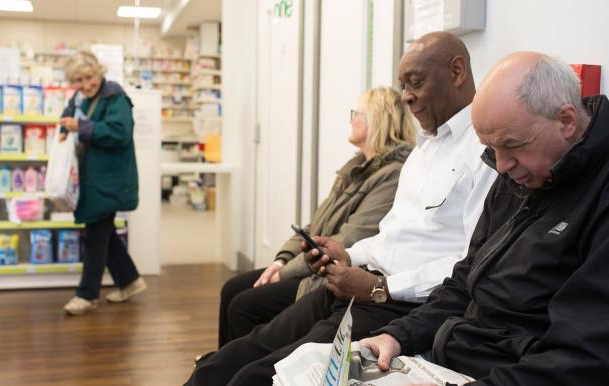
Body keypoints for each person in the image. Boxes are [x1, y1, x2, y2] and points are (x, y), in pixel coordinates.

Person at [185, 31, 497, 386]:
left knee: (255, 377)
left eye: (416, 83)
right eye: (403, 86)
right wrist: (346, 254)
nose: (407, 97)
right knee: (222, 363)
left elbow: (467, 265)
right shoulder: (423, 150)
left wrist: (381, 287)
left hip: (401, 304)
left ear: (457, 72)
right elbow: (390, 234)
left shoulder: (483, 152)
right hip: (356, 286)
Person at [360, 52, 609, 386]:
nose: (501, 165)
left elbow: (583, 357)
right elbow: (466, 279)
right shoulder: (522, 173)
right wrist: (399, 334)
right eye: (491, 147)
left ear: (566, 121)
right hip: (458, 359)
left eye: (511, 145)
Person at [218, 87, 416, 348]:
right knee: (232, 288)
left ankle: (237, 369)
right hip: (310, 265)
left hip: (326, 274)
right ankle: (222, 367)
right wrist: (281, 261)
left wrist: (284, 273)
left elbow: (347, 240)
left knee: (244, 305)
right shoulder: (353, 169)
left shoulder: (391, 175)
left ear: (377, 120)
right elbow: (312, 226)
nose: (350, 118)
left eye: (356, 113)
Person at [59, 51, 146, 316]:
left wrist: (81, 127)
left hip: (110, 180)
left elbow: (120, 133)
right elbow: (69, 117)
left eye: (89, 77)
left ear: (99, 72)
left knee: (96, 235)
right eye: (78, 80)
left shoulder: (114, 96)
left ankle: (86, 295)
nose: (86, 84)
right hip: (93, 179)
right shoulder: (80, 98)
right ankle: (130, 281)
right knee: (103, 232)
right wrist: (65, 128)